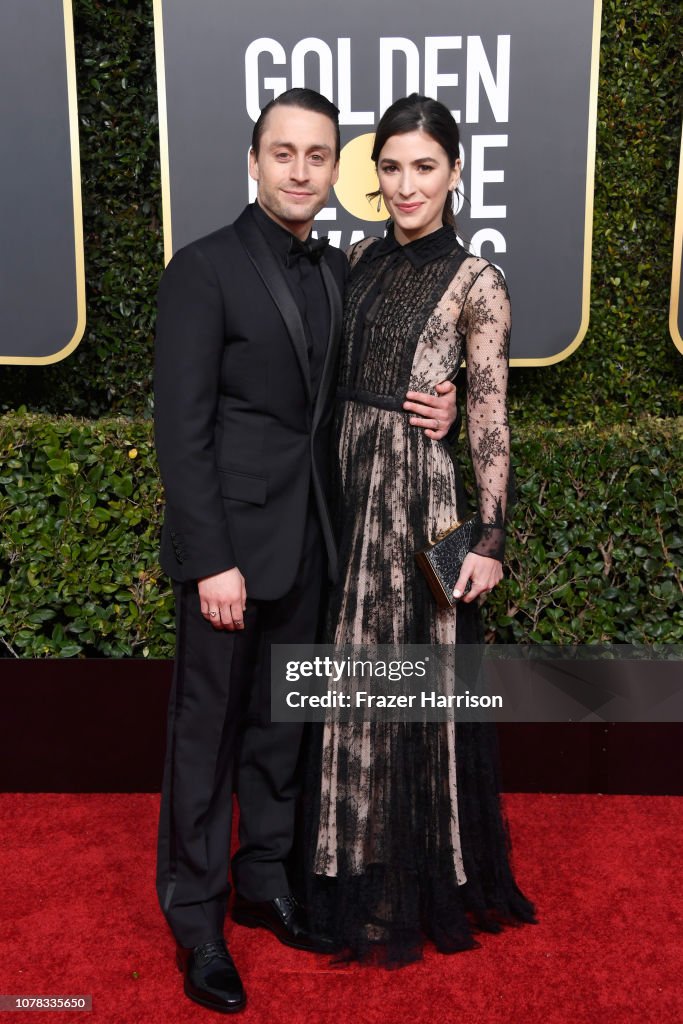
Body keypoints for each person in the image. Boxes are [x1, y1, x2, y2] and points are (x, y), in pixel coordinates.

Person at [153, 88, 458, 1014]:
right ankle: (198, 920)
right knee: (205, 740)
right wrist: (210, 558)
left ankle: (263, 879)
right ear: (253, 162)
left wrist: (439, 409)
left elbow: (368, 391)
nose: (298, 169)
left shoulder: (340, 271)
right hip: (231, 556)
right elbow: (181, 427)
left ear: (336, 172)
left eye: (317, 155)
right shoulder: (202, 269)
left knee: (285, 731)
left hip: (315, 544)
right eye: (281, 152)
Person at [304, 93, 536, 966]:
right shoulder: (358, 256)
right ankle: (348, 864)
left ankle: (415, 879)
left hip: (418, 501)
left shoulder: (478, 282)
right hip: (346, 491)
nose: (406, 185)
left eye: (424, 168)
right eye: (391, 168)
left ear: (455, 173)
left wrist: (489, 538)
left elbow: (488, 418)